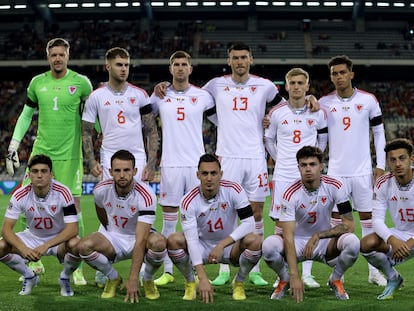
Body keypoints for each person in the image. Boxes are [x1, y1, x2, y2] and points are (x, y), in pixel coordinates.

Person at [5, 37, 92, 285]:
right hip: (41, 152)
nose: (57, 59)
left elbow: (93, 114)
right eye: (53, 55)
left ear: (68, 56)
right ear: (48, 57)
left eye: (61, 55)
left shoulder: (81, 83)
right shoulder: (37, 83)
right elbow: (25, 115)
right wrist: (14, 145)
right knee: (23, 201)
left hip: (69, 156)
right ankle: (33, 257)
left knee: (74, 208)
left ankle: (76, 266)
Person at [81, 47, 159, 287]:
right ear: (108, 67)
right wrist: (92, 161)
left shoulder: (140, 94)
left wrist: (152, 161)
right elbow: (86, 131)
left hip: (137, 158)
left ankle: (145, 265)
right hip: (108, 159)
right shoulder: (96, 96)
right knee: (107, 205)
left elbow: (151, 130)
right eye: (119, 64)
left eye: (126, 64)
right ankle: (107, 266)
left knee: (143, 210)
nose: (124, 68)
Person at [319, 55, 387, 286]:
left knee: (368, 220)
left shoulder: (368, 100)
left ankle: (374, 271)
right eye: (334, 74)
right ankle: (339, 273)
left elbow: (379, 132)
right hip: (336, 174)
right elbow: (321, 138)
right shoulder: (324, 103)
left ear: (351, 74)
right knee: (338, 223)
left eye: (342, 72)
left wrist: (380, 164)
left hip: (362, 172)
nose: (338, 77)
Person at [149, 50, 216, 286]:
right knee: (169, 222)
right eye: (175, 64)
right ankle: (168, 271)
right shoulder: (158, 96)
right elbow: (147, 126)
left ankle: (198, 271)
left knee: (198, 222)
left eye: (184, 64)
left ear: (190, 69)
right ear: (170, 69)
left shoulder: (203, 96)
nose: (179, 68)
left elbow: (223, 118)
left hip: (196, 166)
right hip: (170, 164)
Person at [262, 146, 360, 302]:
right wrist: (294, 275)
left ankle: (335, 279)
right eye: (304, 165)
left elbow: (349, 225)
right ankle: (284, 279)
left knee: (353, 243)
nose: (308, 168)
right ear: (298, 167)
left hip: (324, 242)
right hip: (296, 241)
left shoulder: (336, 186)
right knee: (268, 246)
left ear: (321, 166)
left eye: (312, 164)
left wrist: (318, 235)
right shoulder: (289, 192)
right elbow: (287, 235)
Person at [167, 153, 262, 302]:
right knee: (173, 240)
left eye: (213, 173)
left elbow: (249, 223)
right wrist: (203, 278)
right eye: (205, 173)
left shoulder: (234, 190)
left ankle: (239, 282)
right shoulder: (188, 200)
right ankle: (191, 281)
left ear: (221, 174)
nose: (209, 178)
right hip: (202, 246)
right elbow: (191, 241)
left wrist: (221, 245)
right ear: (197, 175)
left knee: (255, 241)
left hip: (231, 247)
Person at [264, 67, 328, 289]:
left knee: (309, 222)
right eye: (293, 83)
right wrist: (280, 159)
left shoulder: (318, 112)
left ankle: (307, 274)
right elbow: (269, 140)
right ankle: (282, 274)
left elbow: (323, 140)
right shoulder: (277, 113)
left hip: (309, 176)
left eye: (301, 83)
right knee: (281, 225)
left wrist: (314, 164)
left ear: (307, 86)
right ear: (287, 86)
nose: (297, 86)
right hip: (283, 176)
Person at [76, 150, 166, 302]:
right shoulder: (100, 190)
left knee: (159, 243)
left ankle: (148, 279)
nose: (122, 175)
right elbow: (100, 209)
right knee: (83, 246)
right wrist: (109, 230)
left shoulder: (146, 195)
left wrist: (133, 278)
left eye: (126, 170)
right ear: (110, 172)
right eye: (117, 170)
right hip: (114, 238)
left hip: (138, 238)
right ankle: (113, 278)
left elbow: (141, 239)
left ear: (135, 171)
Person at [0, 154, 81, 296]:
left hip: (58, 239)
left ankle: (65, 278)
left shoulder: (63, 192)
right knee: (1, 247)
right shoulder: (20, 195)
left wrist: (46, 245)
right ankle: (29, 276)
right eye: (35, 171)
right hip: (32, 237)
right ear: (29, 175)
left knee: (77, 244)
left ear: (51, 174)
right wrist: (23, 248)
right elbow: (6, 230)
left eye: (44, 171)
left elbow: (73, 229)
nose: (39, 175)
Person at [360, 138, 414, 300]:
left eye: (402, 158)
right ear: (388, 162)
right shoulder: (383, 183)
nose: (397, 163)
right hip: (401, 234)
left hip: (410, 239)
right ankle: (393, 277)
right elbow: (376, 220)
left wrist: (407, 244)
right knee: (365, 243)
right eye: (393, 159)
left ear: (411, 159)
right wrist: (392, 239)